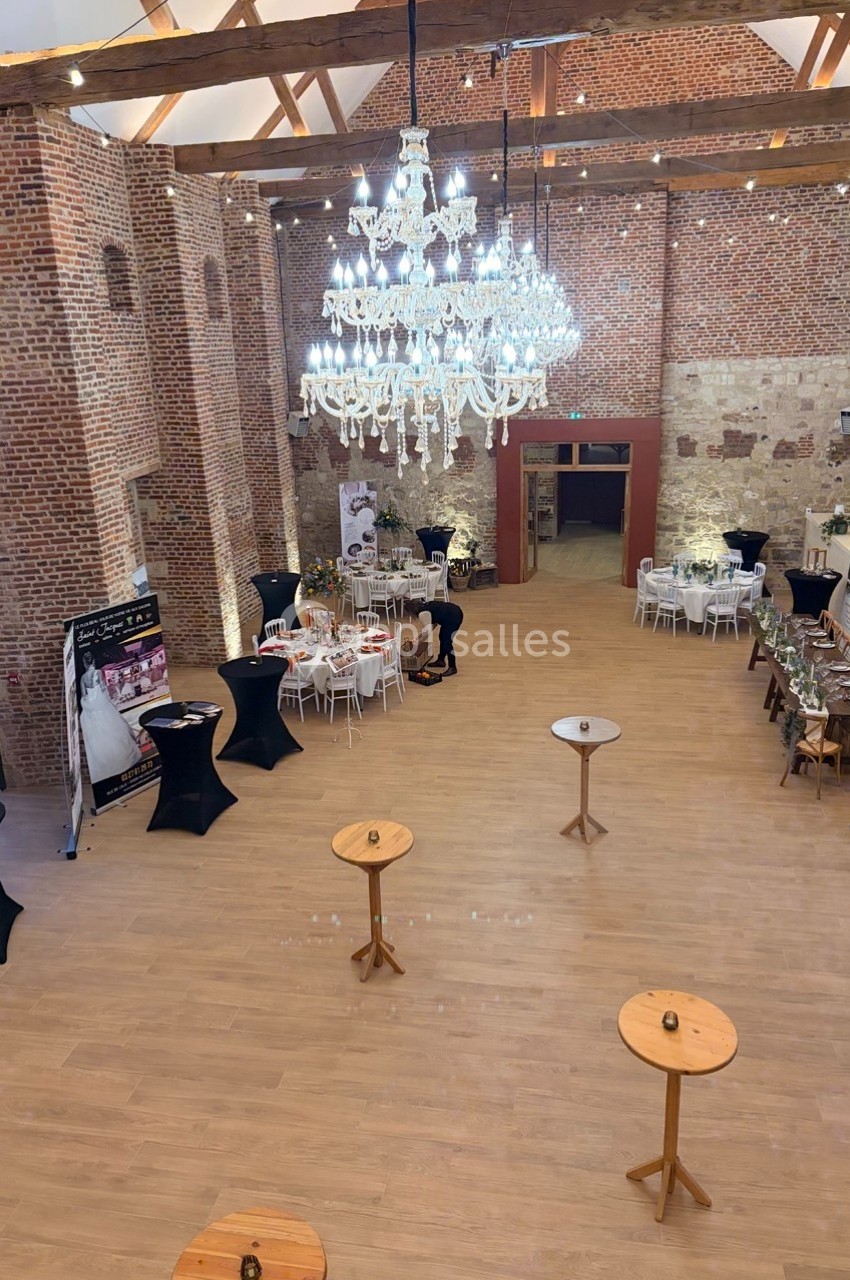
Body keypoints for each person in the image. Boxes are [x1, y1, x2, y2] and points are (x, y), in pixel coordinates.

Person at [79, 651, 142, 783]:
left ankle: (105, 763)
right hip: (102, 703)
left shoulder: (83, 677)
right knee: (113, 728)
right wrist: (109, 702)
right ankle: (122, 759)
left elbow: (84, 695)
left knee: (98, 734)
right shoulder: (98, 673)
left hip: (91, 707)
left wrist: (90, 704)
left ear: (84, 663)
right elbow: (103, 689)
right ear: (93, 662)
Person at [404, 598, 464, 677]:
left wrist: (418, 643)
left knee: (446, 641)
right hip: (453, 611)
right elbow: (433, 625)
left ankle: (452, 667)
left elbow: (428, 632)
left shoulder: (422, 614)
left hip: (453, 616)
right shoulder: (426, 606)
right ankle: (441, 660)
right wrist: (418, 637)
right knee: (442, 637)